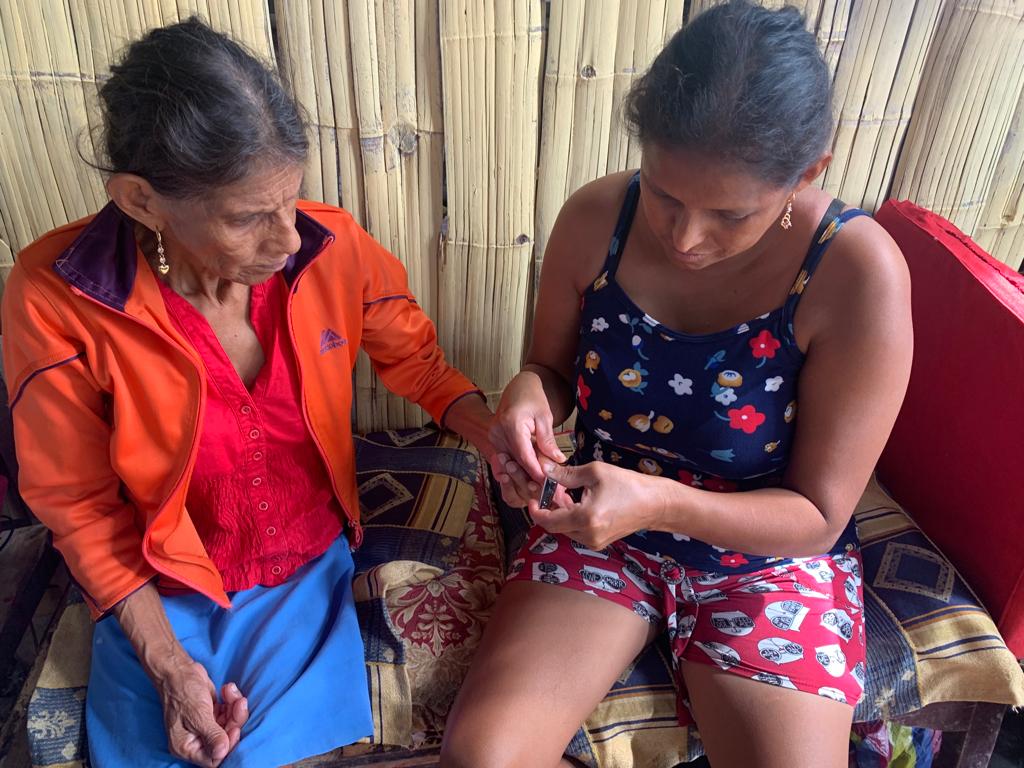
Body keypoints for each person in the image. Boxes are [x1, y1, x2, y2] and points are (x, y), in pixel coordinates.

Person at [2, 18, 493, 768]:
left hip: (304, 564)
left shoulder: (329, 249)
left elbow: (420, 365)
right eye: (247, 218)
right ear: (141, 200)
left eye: (291, 201)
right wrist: (167, 665)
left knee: (259, 754)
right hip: (155, 582)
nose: (288, 238)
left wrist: (495, 433)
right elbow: (77, 502)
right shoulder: (59, 295)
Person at [442, 2, 912, 766]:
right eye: (664, 195)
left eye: (730, 213)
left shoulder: (855, 274)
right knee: (482, 757)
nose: (687, 237)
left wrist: (659, 501)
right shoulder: (596, 220)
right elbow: (552, 371)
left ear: (807, 174)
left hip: (767, 557)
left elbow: (818, 517)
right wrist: (526, 396)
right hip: (602, 532)